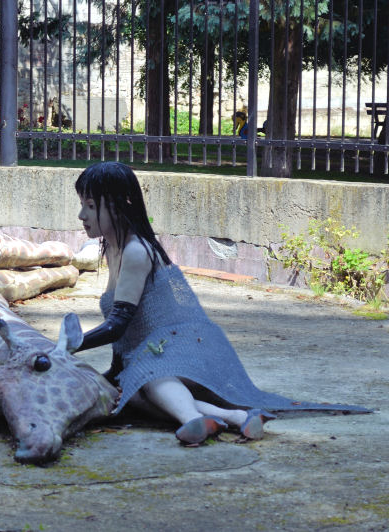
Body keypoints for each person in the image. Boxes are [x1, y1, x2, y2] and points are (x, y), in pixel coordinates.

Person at [71, 161, 369, 445]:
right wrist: (114, 373)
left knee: (149, 378)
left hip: (180, 348)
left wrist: (71, 345)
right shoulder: (113, 248)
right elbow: (124, 338)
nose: (82, 215)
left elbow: (119, 324)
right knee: (125, 395)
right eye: (83, 204)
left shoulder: (137, 251)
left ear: (122, 204)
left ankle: (189, 419)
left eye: (92, 206)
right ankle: (235, 417)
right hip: (151, 354)